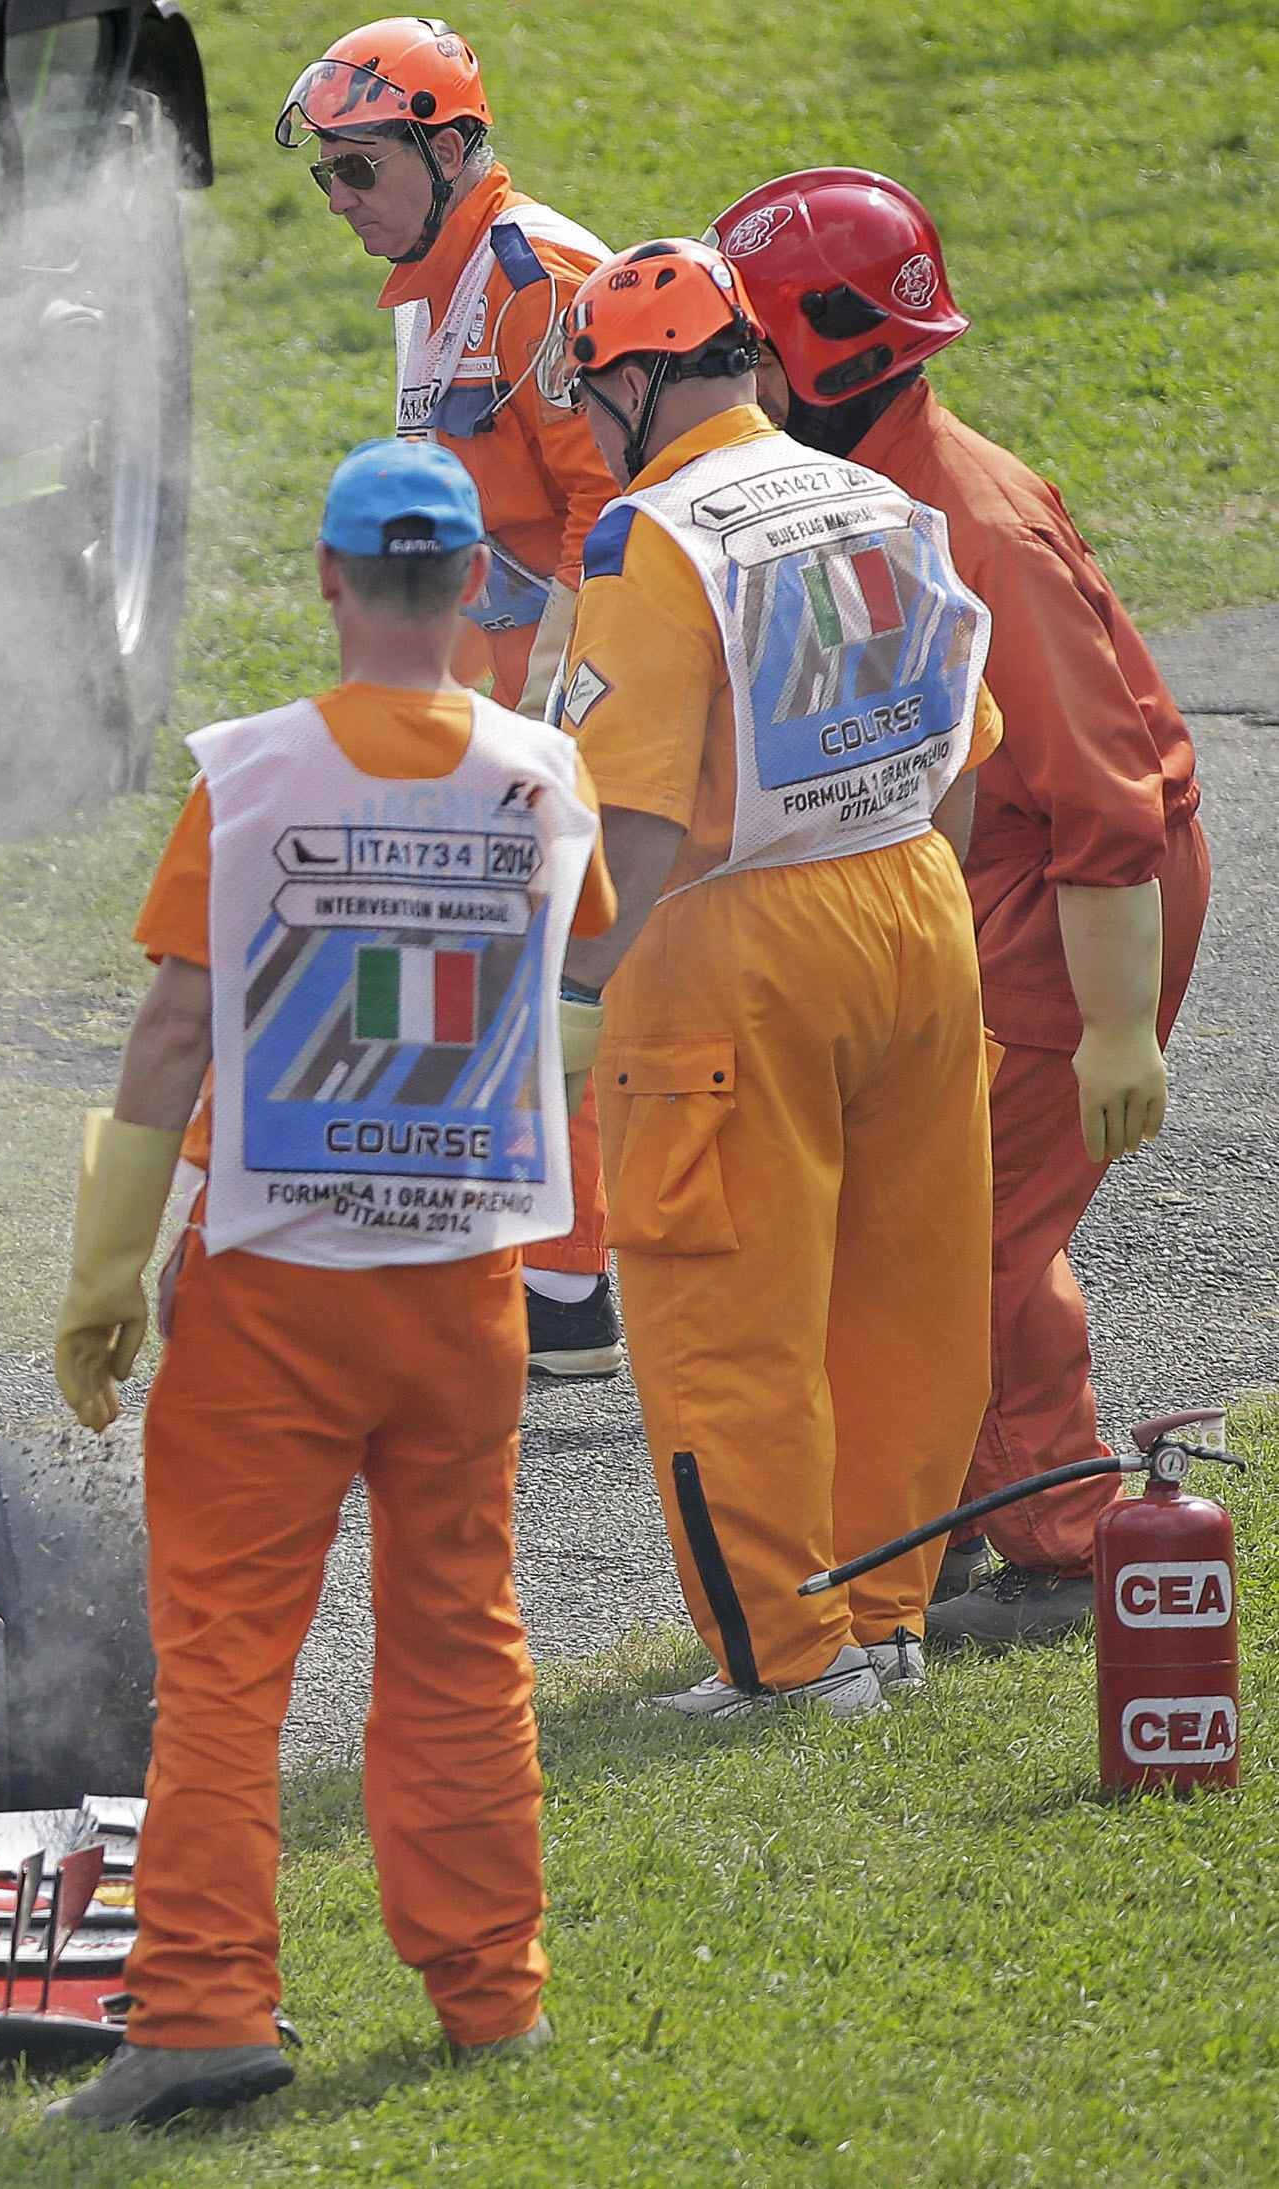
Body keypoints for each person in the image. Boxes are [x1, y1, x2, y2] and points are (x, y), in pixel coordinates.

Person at [48, 441, 603, 2129]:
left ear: (331, 577)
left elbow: (167, 1029)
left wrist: (104, 1270)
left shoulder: (254, 776)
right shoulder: (544, 773)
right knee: (461, 1634)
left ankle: (207, 2003)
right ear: (467, 592)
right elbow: (573, 1002)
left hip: (277, 1279)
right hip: (466, 1285)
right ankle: (491, 1993)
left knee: (224, 1656)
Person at [707, 170, 1206, 1649]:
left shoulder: (971, 518)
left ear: (833, 352)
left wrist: (1116, 1023)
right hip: (999, 886)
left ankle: (1056, 1542)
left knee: (964, 1232)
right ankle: (985, 1512)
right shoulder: (868, 483)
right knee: (949, 1208)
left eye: (750, 345)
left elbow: (1105, 792)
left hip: (1082, 899)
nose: (731, 373)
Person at [541, 237, 1001, 1717]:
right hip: (919, 909)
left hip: (733, 950)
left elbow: (640, 824)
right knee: (906, 1298)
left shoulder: (647, 537)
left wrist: (557, 1001)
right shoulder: (873, 491)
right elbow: (964, 760)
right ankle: (885, 1619)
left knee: (723, 1316)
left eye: (592, 392)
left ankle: (791, 1664)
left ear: (634, 384)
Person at [275, 15, 625, 1375]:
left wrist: (548, 720)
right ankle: (551, 1278)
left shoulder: (536, 277)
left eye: (363, 171)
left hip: (573, 680)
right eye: (330, 177)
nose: (343, 203)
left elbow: (616, 510)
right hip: (504, 675)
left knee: (554, 972)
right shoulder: (446, 276)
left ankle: (567, 1290)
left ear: (453, 146)